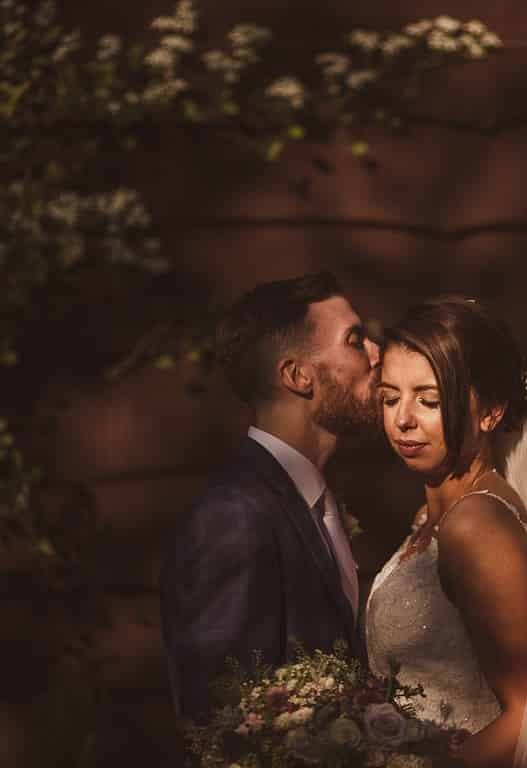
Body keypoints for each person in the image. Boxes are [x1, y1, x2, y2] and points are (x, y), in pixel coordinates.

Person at [159, 273, 381, 723]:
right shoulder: (234, 515)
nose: (378, 353)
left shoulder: (314, 503)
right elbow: (223, 717)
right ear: (298, 376)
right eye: (355, 341)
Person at [366, 297, 527, 768]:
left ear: (492, 411)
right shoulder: (433, 513)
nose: (403, 419)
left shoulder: (478, 525)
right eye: (390, 398)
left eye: (429, 400)